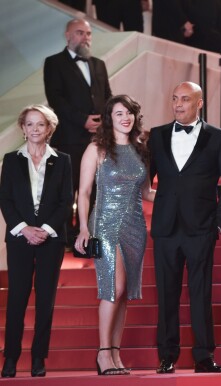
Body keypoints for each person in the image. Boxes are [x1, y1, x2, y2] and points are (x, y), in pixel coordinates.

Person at [148, 82, 221, 374]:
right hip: (165, 228)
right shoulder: (157, 135)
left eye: (185, 99)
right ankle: (167, 356)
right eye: (174, 98)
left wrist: (219, 224)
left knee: (201, 293)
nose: (177, 104)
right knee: (166, 294)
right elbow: (141, 181)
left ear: (199, 103)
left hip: (201, 228)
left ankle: (203, 356)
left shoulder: (218, 137)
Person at [74, 95, 155, 375]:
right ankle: (103, 353)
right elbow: (83, 193)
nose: (125, 117)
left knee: (124, 294)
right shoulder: (97, 149)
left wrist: (179, 193)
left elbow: (146, 193)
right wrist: (83, 227)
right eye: (119, 113)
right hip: (105, 224)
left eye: (129, 112)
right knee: (114, 287)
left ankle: (115, 354)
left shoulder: (141, 148)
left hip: (135, 226)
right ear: (109, 118)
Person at [0, 105, 73, 378]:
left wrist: (43, 229)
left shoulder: (62, 159)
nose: (34, 129)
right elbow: (5, 198)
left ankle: (38, 359)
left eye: (40, 124)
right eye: (29, 124)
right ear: (22, 128)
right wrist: (24, 229)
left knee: (45, 301)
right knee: (16, 300)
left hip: (50, 240)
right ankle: (10, 359)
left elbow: (67, 201)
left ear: (49, 128)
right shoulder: (11, 159)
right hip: (20, 238)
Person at [43, 18, 112, 248]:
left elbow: (108, 97)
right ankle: (67, 237)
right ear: (68, 35)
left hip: (97, 138)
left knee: (95, 188)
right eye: (80, 32)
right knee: (69, 189)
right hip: (70, 137)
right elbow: (56, 100)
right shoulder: (54, 63)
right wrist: (83, 120)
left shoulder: (99, 64)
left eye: (89, 33)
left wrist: (103, 121)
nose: (86, 37)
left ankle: (91, 234)